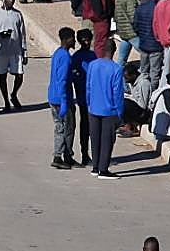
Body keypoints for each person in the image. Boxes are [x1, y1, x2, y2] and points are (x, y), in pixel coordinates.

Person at [86, 39, 123, 178]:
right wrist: (119, 112)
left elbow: (88, 87)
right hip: (109, 110)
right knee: (107, 140)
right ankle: (103, 169)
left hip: (94, 107)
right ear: (114, 51)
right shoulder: (116, 69)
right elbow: (117, 93)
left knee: (95, 138)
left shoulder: (93, 65)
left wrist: (89, 103)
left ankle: (95, 167)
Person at [48, 27, 79, 169]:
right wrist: (65, 101)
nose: (74, 40)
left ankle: (66, 155)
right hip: (61, 99)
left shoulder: (58, 54)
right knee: (65, 128)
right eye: (72, 38)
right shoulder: (65, 57)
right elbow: (62, 80)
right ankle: (59, 156)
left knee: (62, 127)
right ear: (67, 40)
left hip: (53, 96)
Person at [71, 29, 97, 167]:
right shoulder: (76, 57)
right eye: (83, 40)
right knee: (85, 125)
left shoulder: (93, 56)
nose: (86, 42)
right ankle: (84, 153)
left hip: (94, 97)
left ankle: (94, 154)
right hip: (82, 97)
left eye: (88, 39)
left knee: (93, 126)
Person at [133, 0, 164, 87]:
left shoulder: (140, 8)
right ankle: (153, 93)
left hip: (144, 44)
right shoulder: (159, 9)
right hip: (156, 45)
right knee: (155, 72)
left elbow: (135, 26)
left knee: (144, 71)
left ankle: (143, 90)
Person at [112, 0, 139, 67]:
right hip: (131, 33)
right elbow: (133, 17)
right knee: (146, 53)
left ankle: (118, 76)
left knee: (121, 59)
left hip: (122, 31)